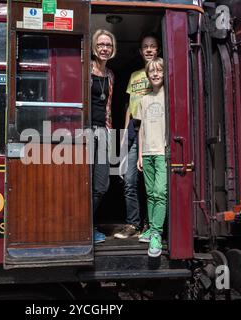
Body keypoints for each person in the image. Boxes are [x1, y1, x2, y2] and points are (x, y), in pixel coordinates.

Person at [114, 34, 160, 239]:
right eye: (145, 47)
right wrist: (125, 134)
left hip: (151, 131)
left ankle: (151, 224)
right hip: (133, 129)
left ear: (157, 50)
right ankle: (133, 224)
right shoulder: (135, 75)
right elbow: (129, 106)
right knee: (130, 180)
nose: (149, 50)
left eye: (153, 47)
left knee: (150, 183)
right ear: (141, 52)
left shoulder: (160, 73)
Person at [135, 57, 167, 257]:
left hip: (162, 152)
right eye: (152, 71)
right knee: (150, 194)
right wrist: (139, 154)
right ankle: (151, 227)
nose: (155, 74)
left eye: (159, 71)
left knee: (159, 192)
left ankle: (156, 233)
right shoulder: (144, 99)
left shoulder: (168, 96)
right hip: (146, 153)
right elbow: (141, 130)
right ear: (147, 75)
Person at [90, 29, 116, 243]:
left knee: (101, 185)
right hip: (84, 131)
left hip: (102, 132)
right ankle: (84, 227)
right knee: (82, 182)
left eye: (108, 45)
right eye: (101, 45)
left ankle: (87, 223)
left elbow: (108, 108)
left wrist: (108, 133)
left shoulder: (110, 75)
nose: (104, 48)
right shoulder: (84, 68)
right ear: (94, 47)